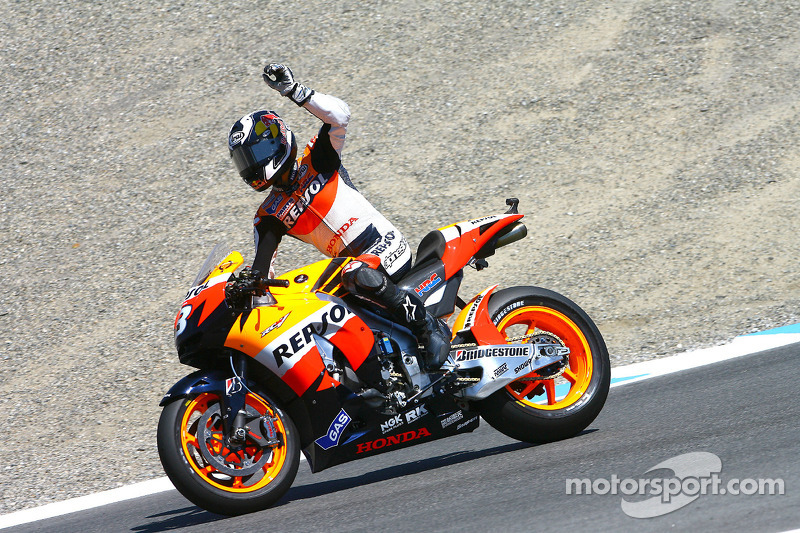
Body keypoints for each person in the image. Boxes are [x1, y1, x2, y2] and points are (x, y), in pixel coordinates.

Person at [227, 63, 450, 369]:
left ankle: (429, 326)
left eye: (253, 155)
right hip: (352, 275)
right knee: (319, 308)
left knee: (352, 273)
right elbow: (263, 273)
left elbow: (340, 116)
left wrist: (296, 92)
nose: (250, 166)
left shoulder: (317, 157)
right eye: (244, 160)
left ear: (275, 141)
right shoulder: (268, 215)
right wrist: (242, 289)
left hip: (383, 246)